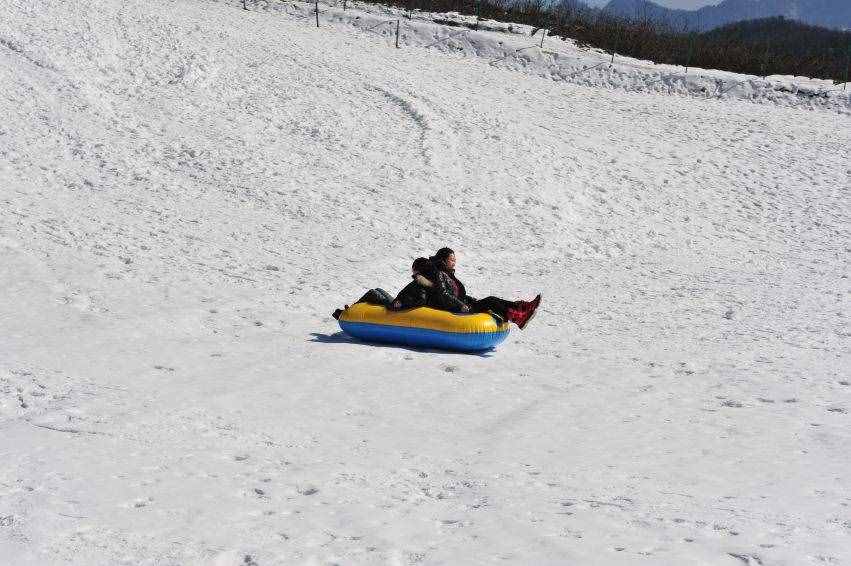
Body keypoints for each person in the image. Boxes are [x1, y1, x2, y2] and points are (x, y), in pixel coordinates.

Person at [427, 247, 541, 329]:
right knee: (491, 300)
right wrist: (461, 305)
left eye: (455, 260)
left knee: (492, 300)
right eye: (452, 260)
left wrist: (470, 299)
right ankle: (520, 315)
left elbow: (458, 294)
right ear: (443, 260)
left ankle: (523, 308)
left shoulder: (448, 274)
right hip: (457, 309)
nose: (454, 263)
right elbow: (444, 294)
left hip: (463, 305)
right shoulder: (440, 274)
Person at [331, 258, 435, 320]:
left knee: (373, 293)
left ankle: (348, 312)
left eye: (414, 269)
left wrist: (401, 304)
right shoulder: (424, 280)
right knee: (378, 290)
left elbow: (420, 300)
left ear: (418, 270)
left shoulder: (422, 282)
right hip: (398, 301)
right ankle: (351, 308)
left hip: (397, 305)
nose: (412, 271)